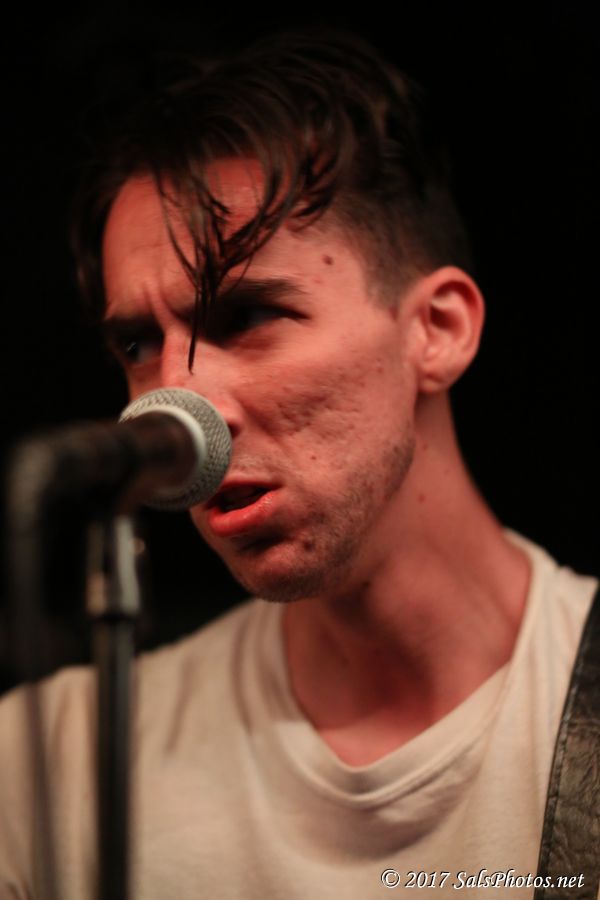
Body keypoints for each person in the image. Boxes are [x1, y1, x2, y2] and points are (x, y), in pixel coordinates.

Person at [0, 28, 597, 899]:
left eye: (246, 316)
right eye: (137, 344)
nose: (178, 404)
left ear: (438, 331)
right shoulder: (46, 767)